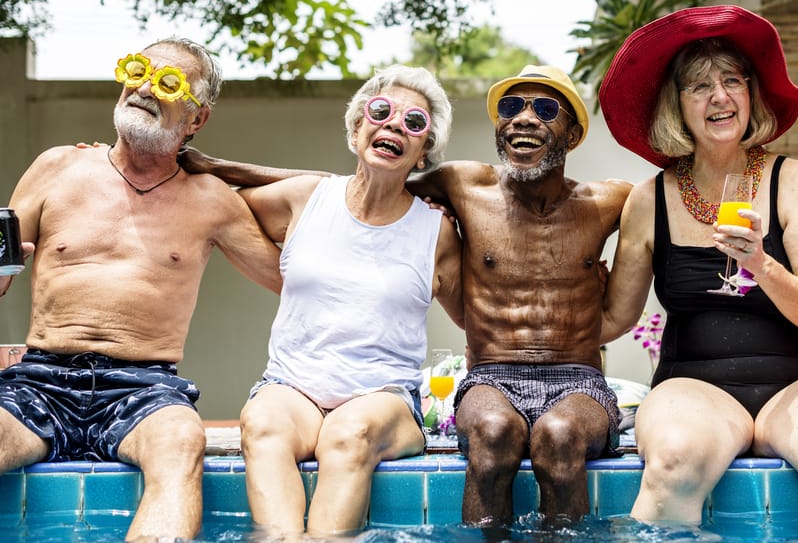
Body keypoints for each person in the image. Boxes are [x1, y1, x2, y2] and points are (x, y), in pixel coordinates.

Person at [179, 64, 633, 526]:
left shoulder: (607, 201)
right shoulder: (457, 186)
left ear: (573, 134)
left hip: (548, 377)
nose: (525, 118)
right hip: (470, 378)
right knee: (490, 432)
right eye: (513, 107)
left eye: (545, 108)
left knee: (556, 436)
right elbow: (346, 185)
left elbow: (665, 208)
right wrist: (215, 167)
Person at [598, 5, 798, 524]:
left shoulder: (796, 180)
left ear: (750, 93)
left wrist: (761, 263)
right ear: (677, 106)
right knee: (673, 465)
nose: (719, 96)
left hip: (796, 383)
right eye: (699, 86)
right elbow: (613, 319)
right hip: (693, 384)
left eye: (732, 80)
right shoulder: (650, 199)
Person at [0, 38, 283, 541]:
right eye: (139, 71)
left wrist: (393, 196)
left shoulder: (212, 200)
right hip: (40, 379)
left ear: (197, 120)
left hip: (144, 387)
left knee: (180, 442)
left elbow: (297, 280)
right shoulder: (58, 167)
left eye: (169, 82)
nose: (146, 88)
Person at [235, 65, 463, 538]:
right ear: (357, 127)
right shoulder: (305, 199)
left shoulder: (436, 231)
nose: (395, 125)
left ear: (423, 154)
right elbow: (217, 210)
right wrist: (113, 165)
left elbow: (473, 315)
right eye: (380, 112)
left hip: (383, 399)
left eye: (414, 123)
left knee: (348, 434)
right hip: (292, 387)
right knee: (261, 422)